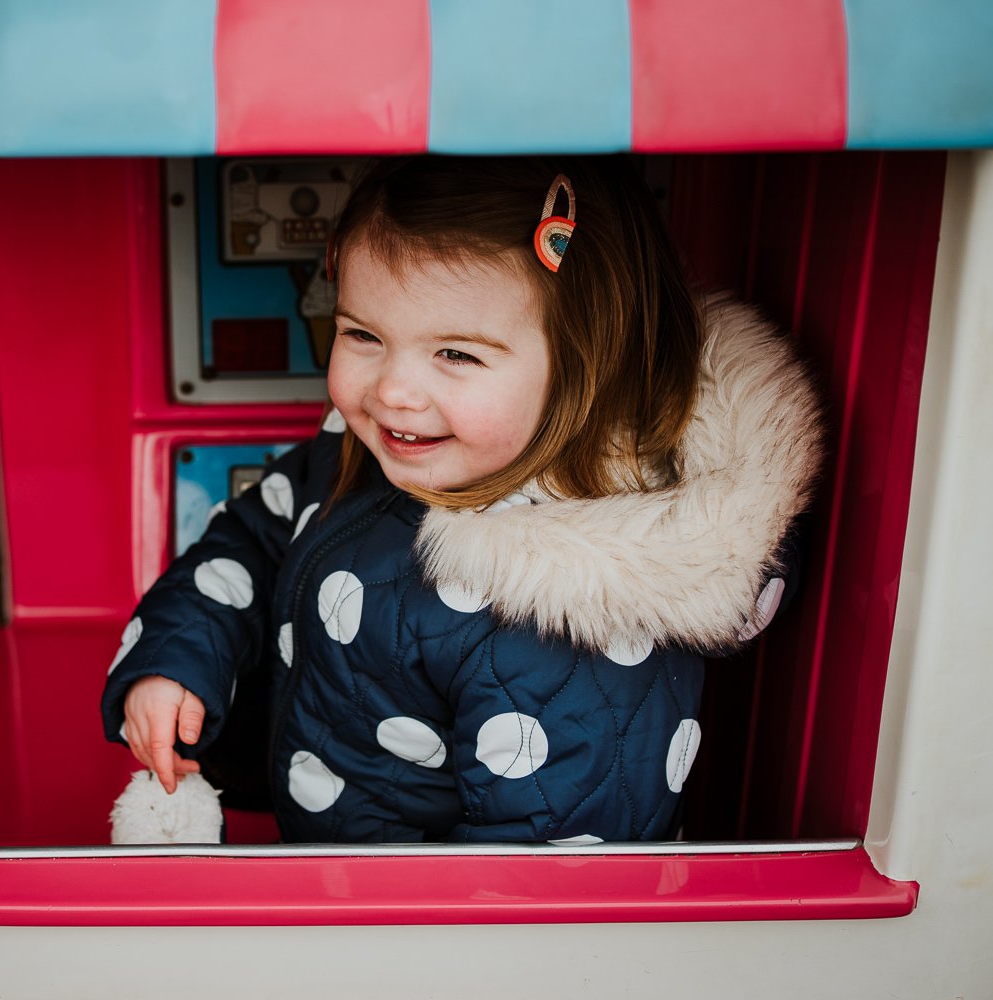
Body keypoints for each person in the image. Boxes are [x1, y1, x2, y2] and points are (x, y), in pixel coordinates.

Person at [100, 156, 823, 844]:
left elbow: (543, 891)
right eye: (362, 334)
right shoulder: (376, 447)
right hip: (335, 876)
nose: (392, 389)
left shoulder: (581, 618)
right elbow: (254, 539)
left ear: (587, 371)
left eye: (456, 354)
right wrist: (179, 660)